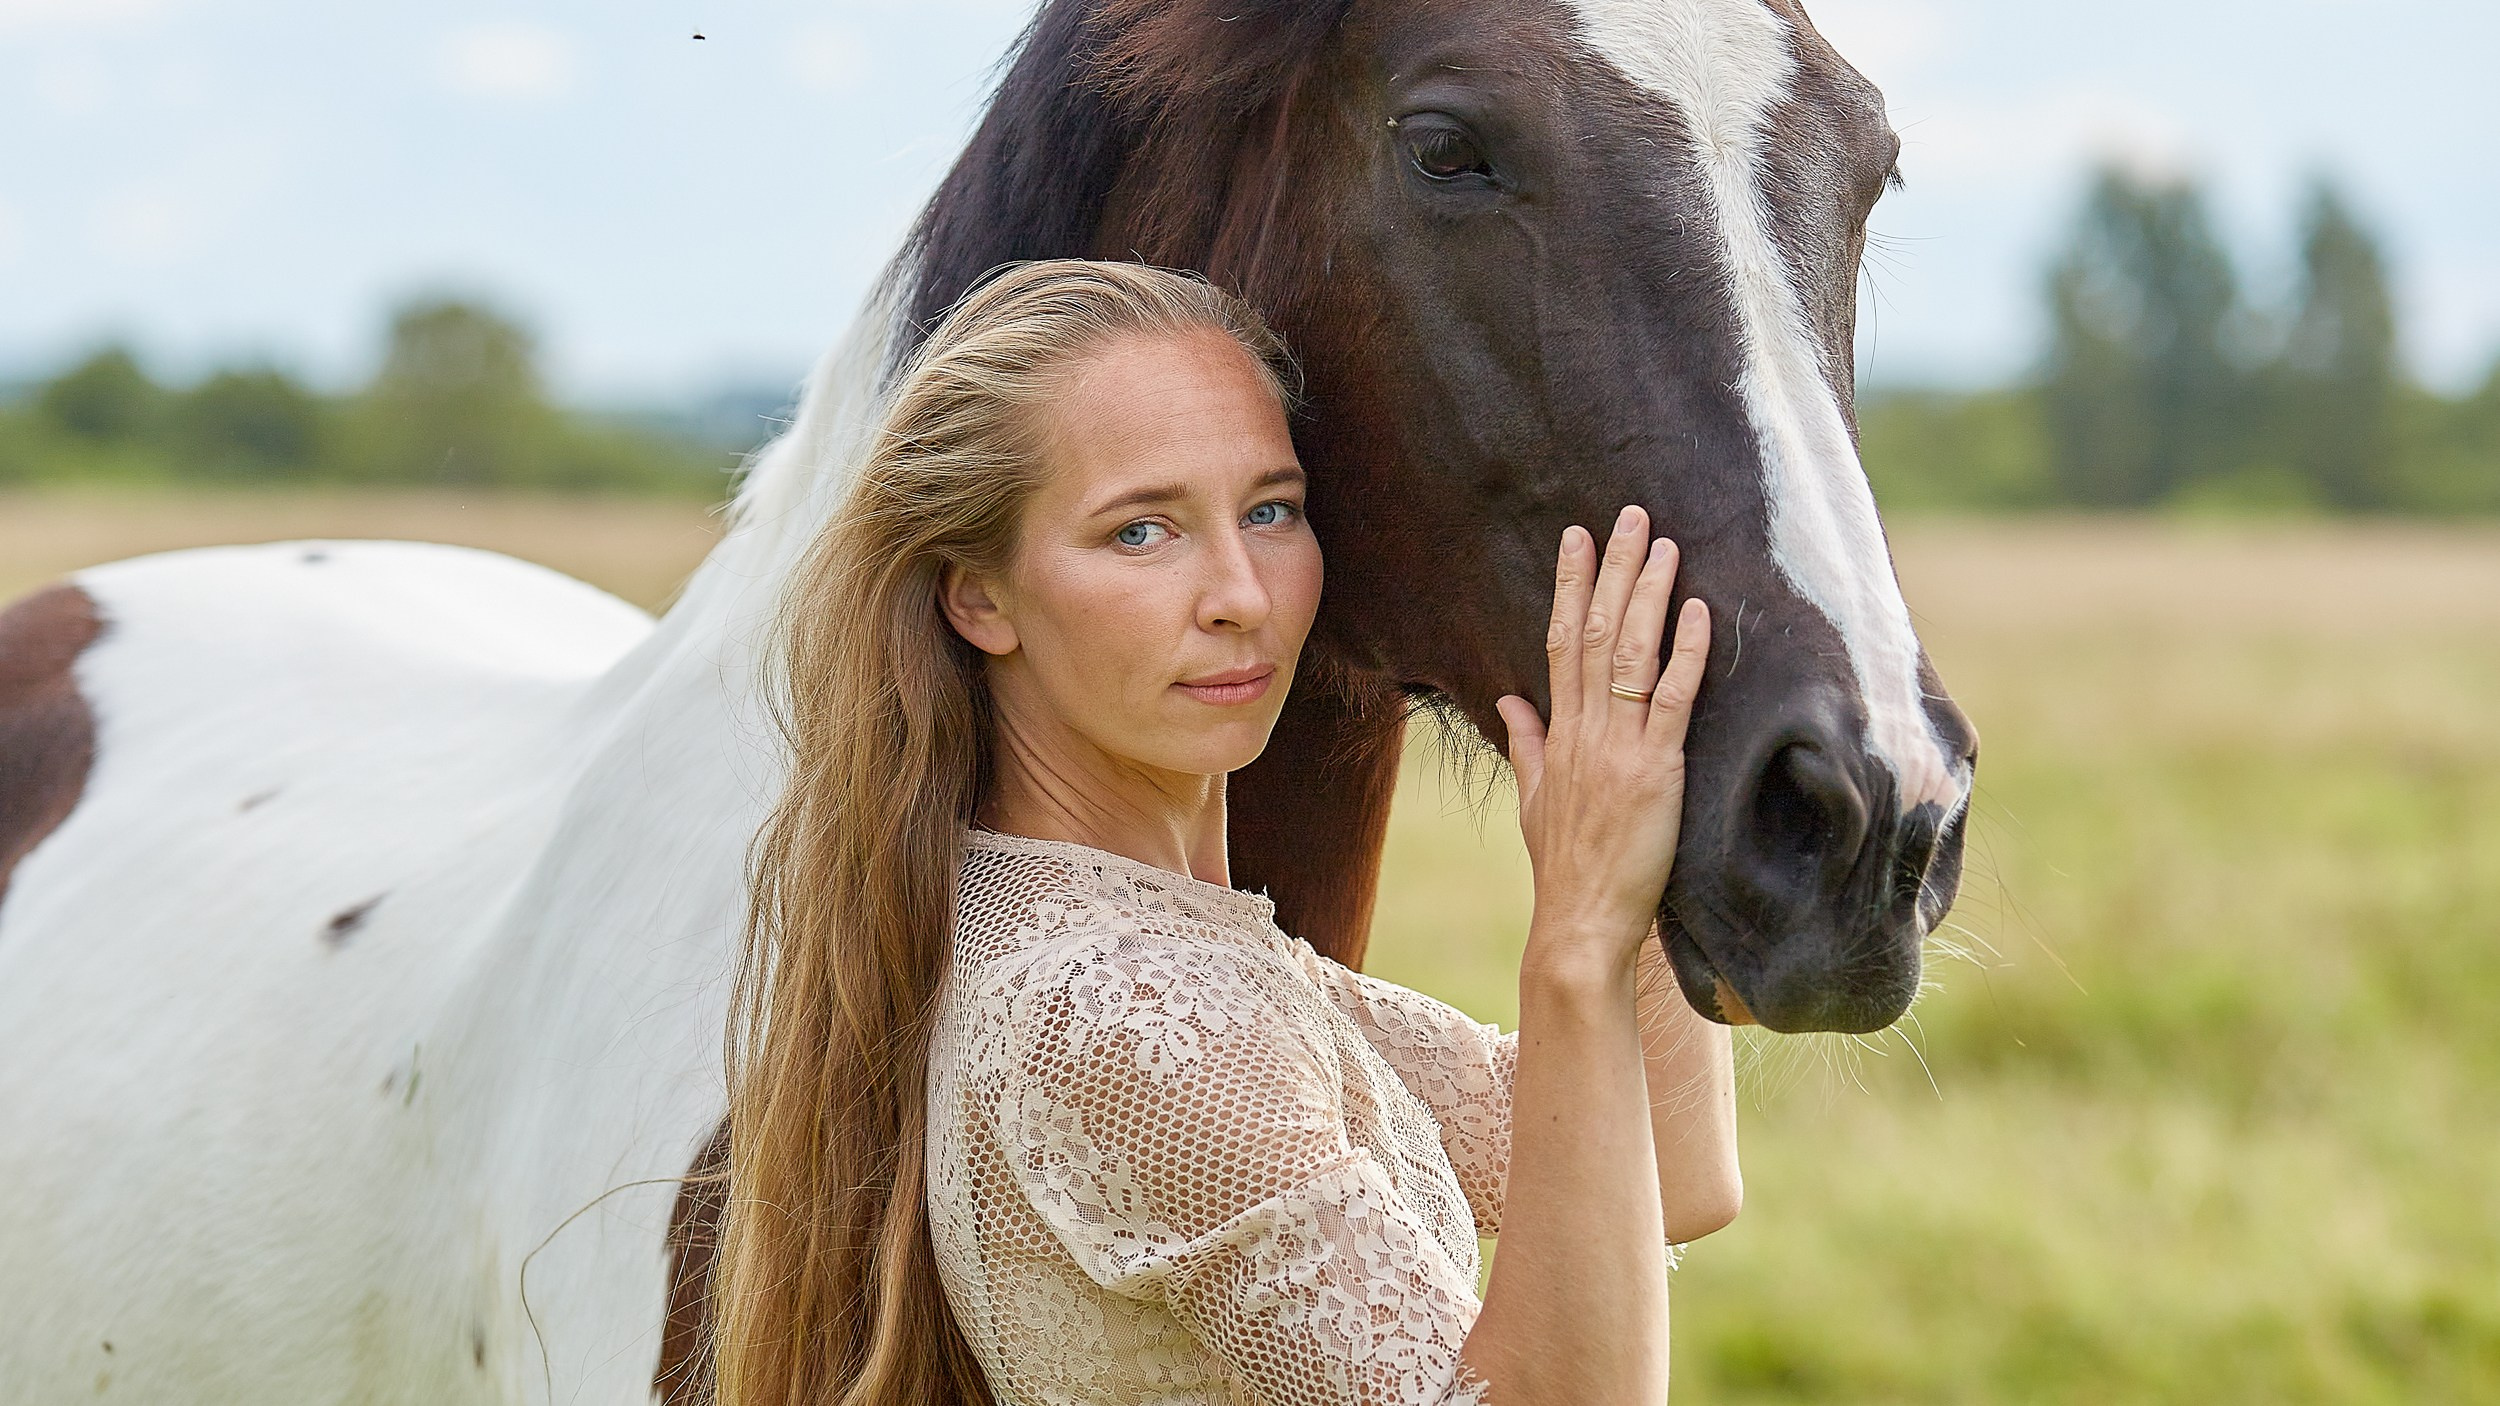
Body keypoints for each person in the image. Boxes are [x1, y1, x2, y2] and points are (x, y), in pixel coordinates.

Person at [713, 260, 1739, 1406]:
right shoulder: (1127, 1008)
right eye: (1141, 531)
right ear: (979, 596)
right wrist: (1579, 932)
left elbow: (1670, 1164)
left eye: (1270, 510)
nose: (1242, 593)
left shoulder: (1134, 937)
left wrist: (1647, 770)